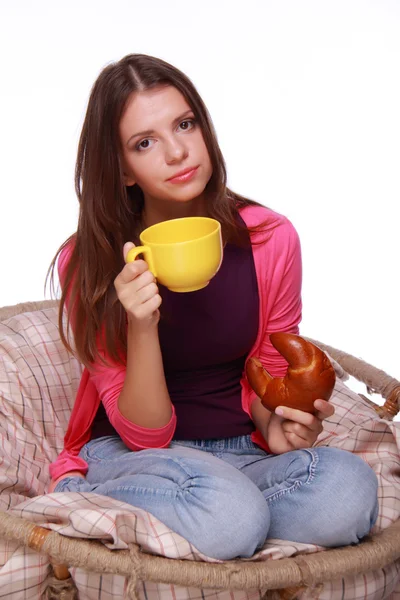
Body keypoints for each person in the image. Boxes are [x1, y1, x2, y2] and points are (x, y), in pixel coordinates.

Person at [47, 53, 378, 561]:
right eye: (145, 142)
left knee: (347, 489)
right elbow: (146, 434)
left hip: (241, 458)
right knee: (227, 512)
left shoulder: (270, 239)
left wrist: (278, 428)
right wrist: (140, 325)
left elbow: (269, 371)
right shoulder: (88, 261)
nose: (178, 151)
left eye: (185, 124)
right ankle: (92, 494)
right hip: (136, 458)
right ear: (124, 170)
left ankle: (222, 523)